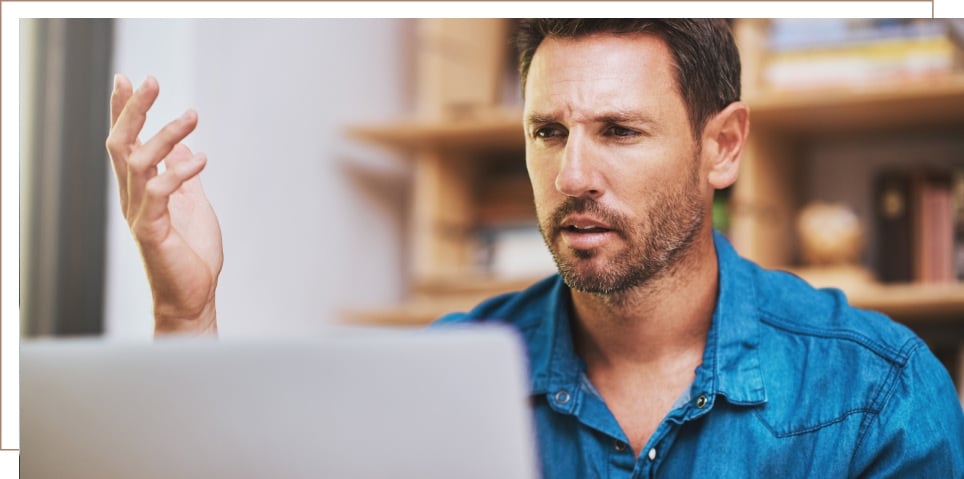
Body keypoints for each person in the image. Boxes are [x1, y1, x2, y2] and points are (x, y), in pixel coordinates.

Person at [107, 19, 963, 478]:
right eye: (548, 132)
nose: (572, 174)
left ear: (723, 146)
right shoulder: (444, 379)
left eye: (619, 130)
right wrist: (186, 313)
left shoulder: (876, 394)